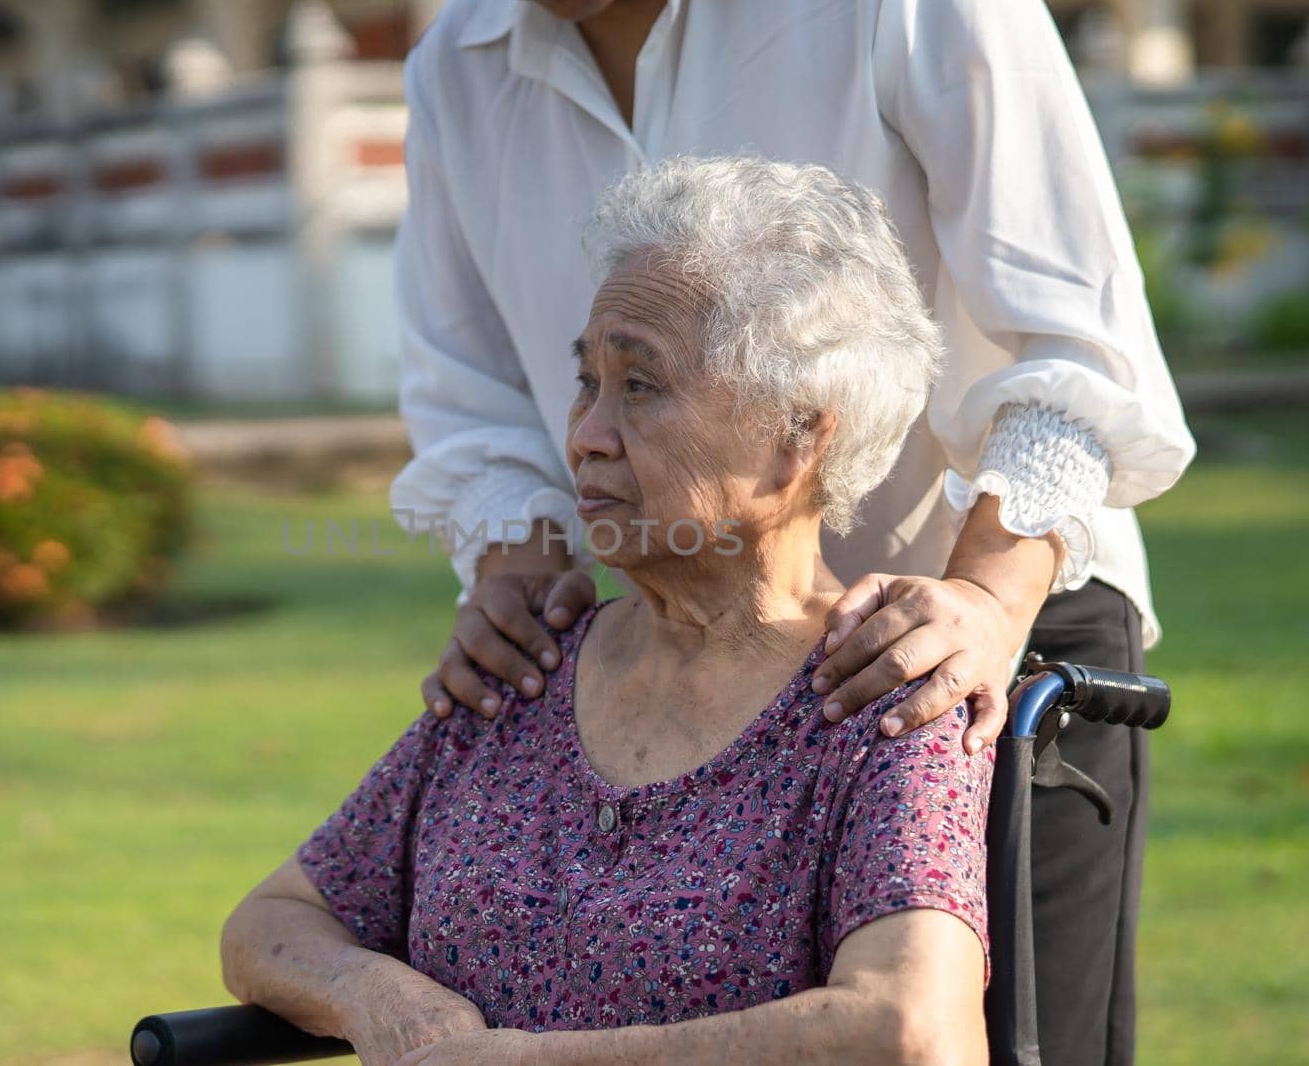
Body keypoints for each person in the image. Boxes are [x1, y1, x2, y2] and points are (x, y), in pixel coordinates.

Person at [388, 1, 1195, 1061]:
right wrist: (520, 569)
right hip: (690, 666)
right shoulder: (461, 59)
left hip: (974, 638)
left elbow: (1078, 344)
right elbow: (472, 390)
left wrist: (986, 604)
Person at [224, 157, 990, 1066]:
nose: (585, 434)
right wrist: (372, 992)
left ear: (799, 437)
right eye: (587, 380)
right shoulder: (524, 663)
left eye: (641, 386)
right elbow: (274, 920)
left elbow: (911, 1029)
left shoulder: (881, 693)